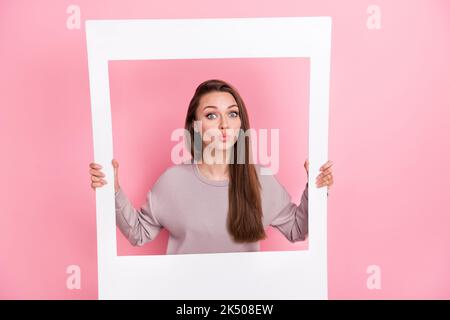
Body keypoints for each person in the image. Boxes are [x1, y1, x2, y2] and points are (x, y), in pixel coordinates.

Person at [89, 79, 334, 254]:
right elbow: (139, 233)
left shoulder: (261, 179)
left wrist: (316, 189)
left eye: (232, 114)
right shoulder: (172, 181)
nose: (225, 125)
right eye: (211, 115)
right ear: (195, 126)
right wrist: (112, 189)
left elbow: (297, 229)